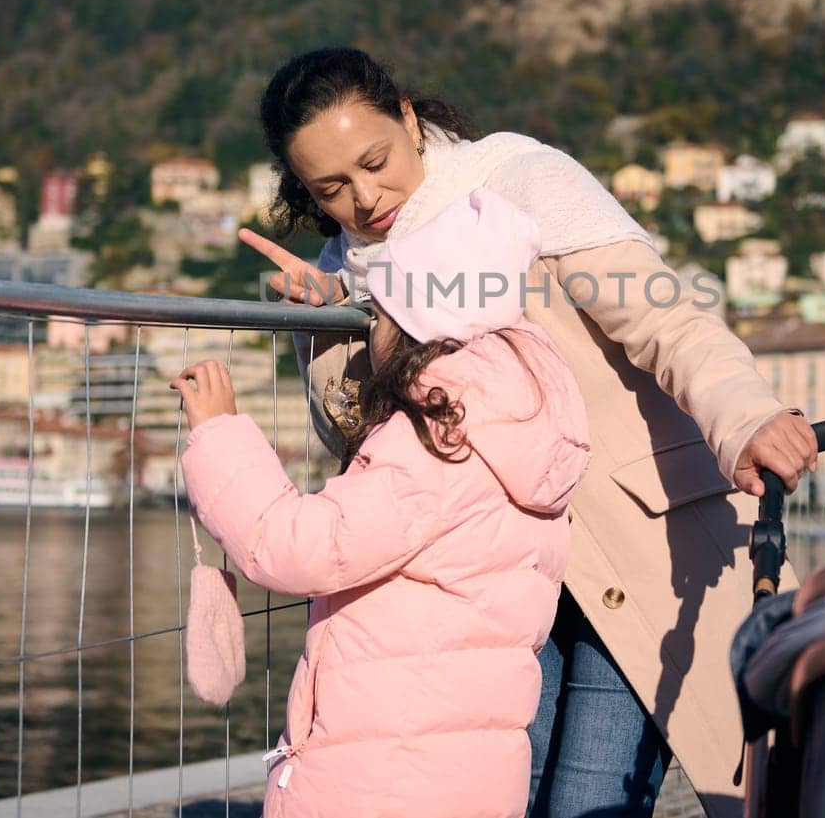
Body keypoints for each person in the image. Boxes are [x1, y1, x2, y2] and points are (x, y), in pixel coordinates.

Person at [239, 46, 820, 817]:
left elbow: (664, 320)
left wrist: (744, 413)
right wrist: (323, 327)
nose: (365, 197)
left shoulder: (520, 180)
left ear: (409, 118)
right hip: (495, 579)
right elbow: (354, 433)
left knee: (590, 800)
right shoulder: (345, 267)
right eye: (332, 188)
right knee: (507, 796)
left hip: (633, 539)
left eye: (374, 161)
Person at [173, 189, 593, 818]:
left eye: (378, 313)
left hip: (382, 776)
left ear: (417, 323)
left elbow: (299, 547)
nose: (370, 329)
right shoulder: (515, 424)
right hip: (466, 774)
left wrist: (220, 433)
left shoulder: (438, 437)